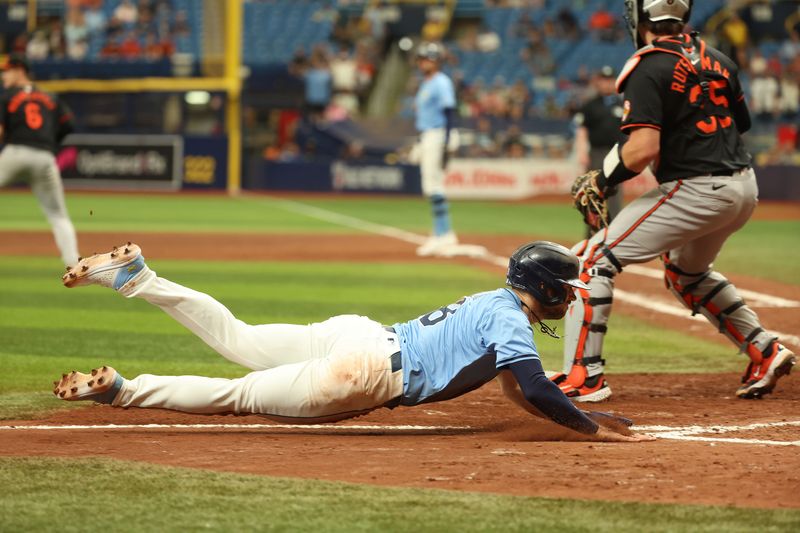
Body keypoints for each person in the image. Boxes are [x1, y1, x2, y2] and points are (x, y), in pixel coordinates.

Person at [53, 240, 653, 443]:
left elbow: (520, 393)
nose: (571, 297)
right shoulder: (512, 325)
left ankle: (140, 280)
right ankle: (124, 392)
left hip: (362, 333)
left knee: (238, 337)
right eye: (566, 289)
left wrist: (564, 412)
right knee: (235, 394)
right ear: (544, 286)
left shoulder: (491, 303)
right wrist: (592, 427)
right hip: (366, 374)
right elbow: (535, 387)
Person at [551, 0, 796, 402]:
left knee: (591, 261)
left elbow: (643, 147)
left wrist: (602, 176)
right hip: (744, 186)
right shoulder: (718, 59)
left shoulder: (649, 65)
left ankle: (584, 376)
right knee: (687, 273)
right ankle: (764, 350)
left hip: (697, 187)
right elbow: (741, 123)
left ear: (641, 17)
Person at [0, 54, 79, 266]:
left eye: (6, 70)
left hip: (16, 152)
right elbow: (69, 125)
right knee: (58, 216)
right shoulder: (50, 97)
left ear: (20, 70)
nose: (3, 75)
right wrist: (51, 143)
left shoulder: (7, 96)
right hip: (45, 157)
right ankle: (73, 265)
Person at [412, 42, 474, 258]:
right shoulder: (426, 83)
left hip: (438, 134)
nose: (423, 62)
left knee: (434, 183)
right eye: (421, 58)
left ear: (437, 60)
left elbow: (449, 111)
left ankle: (444, 233)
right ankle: (440, 232)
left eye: (427, 58)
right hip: (428, 135)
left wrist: (447, 139)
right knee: (430, 185)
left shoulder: (440, 81)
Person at [573, 65, 625, 237]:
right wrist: (582, 153)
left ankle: (614, 235)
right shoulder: (590, 105)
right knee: (593, 194)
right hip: (596, 153)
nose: (607, 83)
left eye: (610, 80)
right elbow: (582, 130)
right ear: (598, 82)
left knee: (615, 195)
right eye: (604, 80)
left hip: (616, 154)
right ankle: (591, 235)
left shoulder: (622, 103)